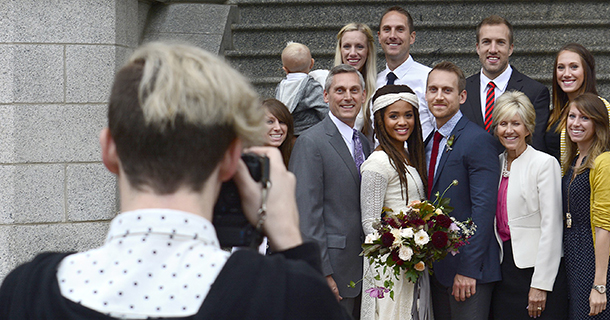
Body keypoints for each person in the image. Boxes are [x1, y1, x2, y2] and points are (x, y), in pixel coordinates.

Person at [0, 42, 350, 320]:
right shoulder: (285, 292)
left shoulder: (27, 291)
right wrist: (290, 239)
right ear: (231, 159)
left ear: (109, 150)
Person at [289, 64, 372, 319]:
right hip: (333, 269)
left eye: (354, 90)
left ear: (363, 95)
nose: (348, 97)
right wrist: (321, 271)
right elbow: (306, 214)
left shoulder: (365, 143)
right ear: (326, 96)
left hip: (365, 270)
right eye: (340, 90)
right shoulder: (310, 142)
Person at [424, 61, 501, 320]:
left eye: (447, 90)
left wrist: (468, 269)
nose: (438, 96)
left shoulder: (478, 140)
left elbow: (483, 209)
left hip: (469, 273)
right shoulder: (427, 141)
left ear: (462, 96)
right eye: (432, 89)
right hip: (437, 268)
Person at [489, 91, 568, 319]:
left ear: (528, 128)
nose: (509, 130)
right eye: (503, 123)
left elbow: (552, 227)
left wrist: (540, 284)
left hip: (536, 270)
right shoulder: (496, 163)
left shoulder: (544, 163)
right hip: (504, 270)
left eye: (516, 123)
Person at [360, 85, 429, 320]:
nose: (403, 122)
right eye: (394, 116)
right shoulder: (378, 163)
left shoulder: (409, 156)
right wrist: (401, 246)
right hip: (390, 266)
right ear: (380, 120)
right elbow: (370, 224)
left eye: (408, 115)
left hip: (411, 261)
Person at [560, 93, 610, 319]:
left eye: (585, 118)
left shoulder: (604, 163)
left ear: (598, 124)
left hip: (599, 264)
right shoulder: (577, 158)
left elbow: (603, 227)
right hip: (577, 259)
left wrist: (600, 285)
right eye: (572, 116)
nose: (575, 123)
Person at [460, 15, 550, 153]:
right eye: (486, 42)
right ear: (478, 48)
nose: (493, 49)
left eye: (500, 42)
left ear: (510, 48)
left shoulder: (535, 92)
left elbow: (535, 146)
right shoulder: (461, 89)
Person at [545, 43, 610, 163]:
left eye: (574, 67)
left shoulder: (600, 105)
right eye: (561, 67)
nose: (566, 74)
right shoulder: (559, 111)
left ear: (586, 71)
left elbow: (598, 152)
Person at [377, 6, 435, 138]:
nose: (392, 36)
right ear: (379, 37)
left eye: (400, 29)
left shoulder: (429, 79)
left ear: (412, 37)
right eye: (387, 29)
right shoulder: (373, 82)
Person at [333, 22, 378, 140]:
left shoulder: (379, 87)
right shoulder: (321, 81)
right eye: (347, 46)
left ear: (368, 51)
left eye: (359, 46)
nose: (352, 53)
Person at [275, 42, 329, 136]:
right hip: (310, 133)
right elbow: (323, 109)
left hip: (289, 134)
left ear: (285, 69)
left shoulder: (280, 87)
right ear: (311, 64)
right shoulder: (311, 86)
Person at [263, 98, 295, 167]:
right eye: (270, 122)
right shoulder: (247, 161)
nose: (278, 128)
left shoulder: (295, 157)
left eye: (282, 122)